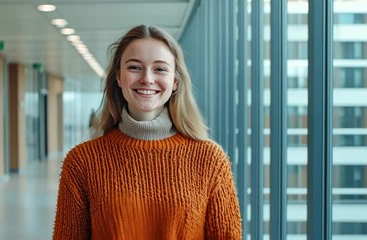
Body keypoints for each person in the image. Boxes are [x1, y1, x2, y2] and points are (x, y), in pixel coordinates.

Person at [53, 25, 242, 239]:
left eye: (160, 69)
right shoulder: (82, 161)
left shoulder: (209, 159)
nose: (147, 79)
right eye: (134, 67)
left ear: (175, 82)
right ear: (118, 77)